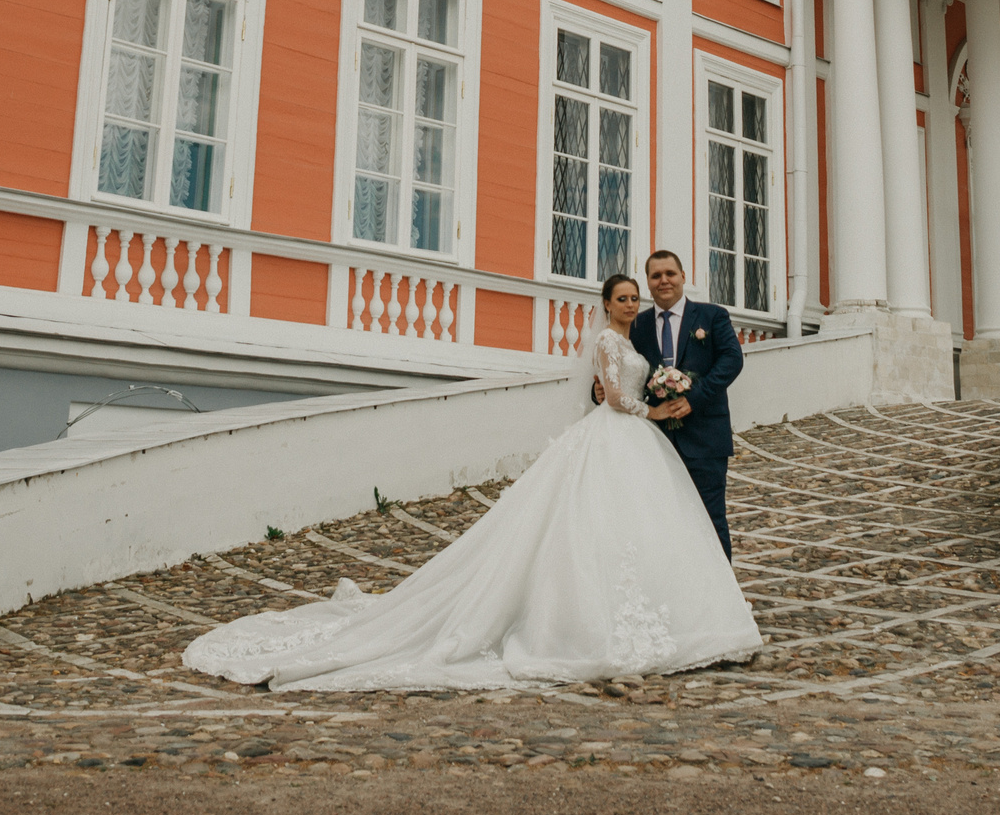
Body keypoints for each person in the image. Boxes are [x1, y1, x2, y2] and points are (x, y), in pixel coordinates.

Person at [182, 272, 760, 691]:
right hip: (626, 434)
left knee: (659, 525)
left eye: (641, 293)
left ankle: (691, 610)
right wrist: (651, 412)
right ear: (606, 303)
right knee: (597, 527)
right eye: (625, 296)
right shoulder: (612, 339)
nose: (635, 301)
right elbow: (610, 396)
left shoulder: (644, 337)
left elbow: (634, 384)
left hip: (648, 442)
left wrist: (654, 401)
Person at [622, 250, 742, 559]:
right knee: (661, 522)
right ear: (647, 283)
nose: (663, 281)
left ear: (683, 277)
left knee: (710, 519)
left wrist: (695, 398)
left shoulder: (712, 316)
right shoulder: (637, 325)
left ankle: (721, 600)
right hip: (656, 441)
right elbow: (624, 371)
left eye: (670, 274)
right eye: (655, 275)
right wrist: (598, 392)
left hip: (705, 439)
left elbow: (732, 360)